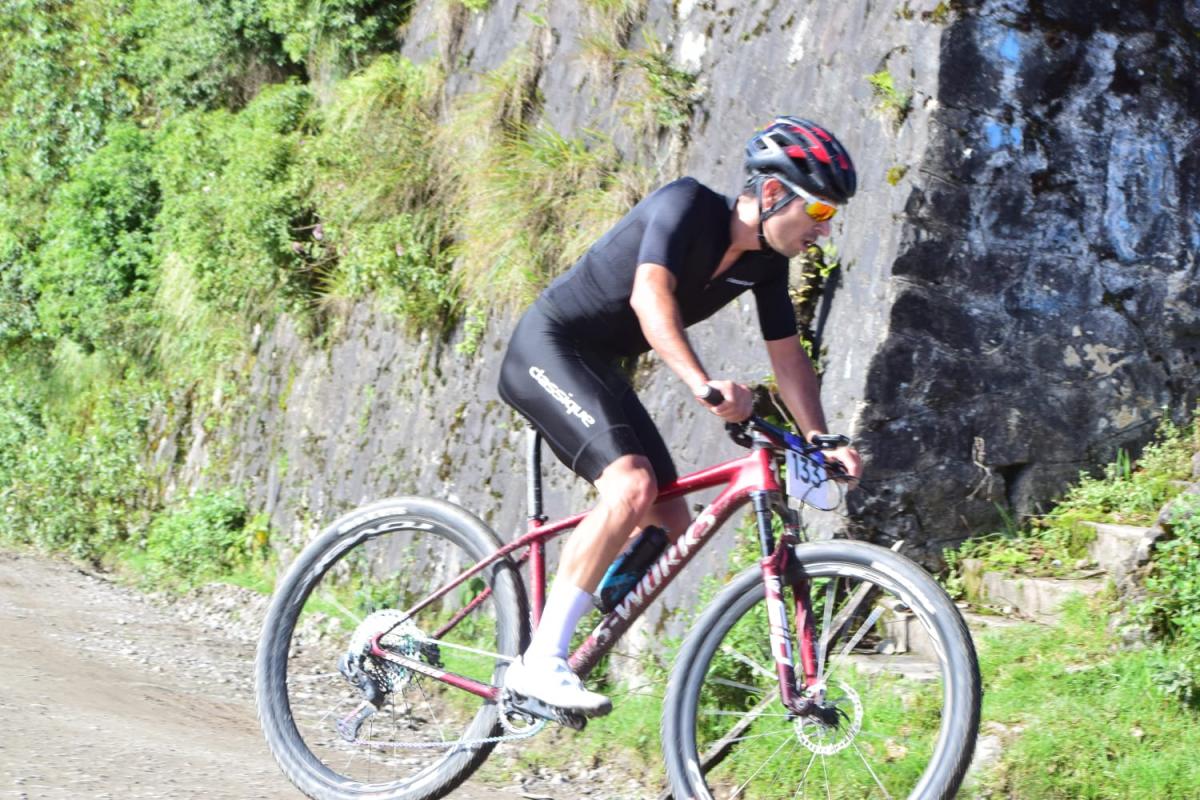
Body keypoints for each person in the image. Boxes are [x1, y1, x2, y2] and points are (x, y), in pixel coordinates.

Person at [496, 116, 864, 716]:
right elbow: (649, 296)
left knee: (668, 519)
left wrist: (820, 439)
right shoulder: (686, 205)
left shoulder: (767, 264)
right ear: (773, 193)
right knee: (630, 485)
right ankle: (541, 660)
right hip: (550, 346)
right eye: (819, 211)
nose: (824, 228)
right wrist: (702, 384)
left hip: (599, 365)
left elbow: (788, 355)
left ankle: (571, 628)